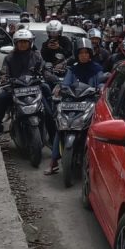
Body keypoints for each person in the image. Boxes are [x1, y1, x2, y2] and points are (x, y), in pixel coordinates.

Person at [0, 28, 55, 141]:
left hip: (34, 88)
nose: (23, 44)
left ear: (30, 43)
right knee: (0, 97)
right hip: (15, 88)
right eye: (20, 42)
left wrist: (49, 76)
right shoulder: (9, 58)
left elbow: (44, 69)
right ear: (16, 43)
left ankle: (53, 137)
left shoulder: (36, 55)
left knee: (48, 109)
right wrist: (4, 79)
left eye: (25, 42)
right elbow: (4, 72)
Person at [45, 38, 103, 175]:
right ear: (77, 54)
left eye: (86, 53)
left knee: (95, 131)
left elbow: (100, 82)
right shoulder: (73, 69)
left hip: (90, 103)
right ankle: (53, 162)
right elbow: (65, 83)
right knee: (61, 127)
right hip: (71, 103)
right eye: (81, 53)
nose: (83, 55)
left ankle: (96, 164)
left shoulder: (97, 69)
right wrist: (60, 88)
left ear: (90, 54)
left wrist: (101, 88)